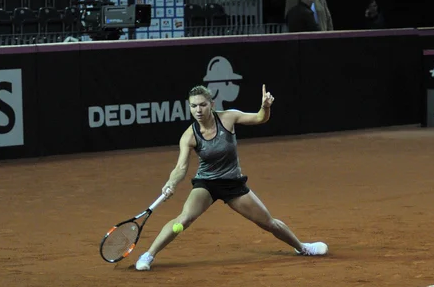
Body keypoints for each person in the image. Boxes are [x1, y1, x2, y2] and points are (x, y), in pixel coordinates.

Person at [135, 84, 328, 271]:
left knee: (267, 222)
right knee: (182, 220)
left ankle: (302, 247)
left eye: (202, 104)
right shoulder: (189, 136)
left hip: (233, 184)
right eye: (193, 106)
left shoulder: (228, 118)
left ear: (211, 104)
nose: (198, 110)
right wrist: (171, 182)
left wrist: (265, 107)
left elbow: (260, 118)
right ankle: (148, 255)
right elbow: (180, 168)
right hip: (207, 184)